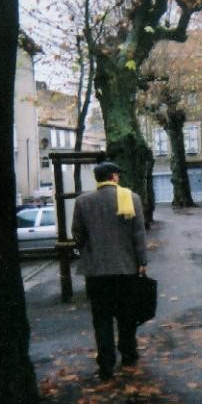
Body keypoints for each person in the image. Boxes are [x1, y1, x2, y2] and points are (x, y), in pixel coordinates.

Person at [72, 161, 147, 380]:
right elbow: (139, 234)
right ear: (114, 177)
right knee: (127, 316)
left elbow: (77, 233)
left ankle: (106, 364)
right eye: (118, 175)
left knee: (101, 319)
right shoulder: (131, 198)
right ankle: (129, 355)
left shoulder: (83, 201)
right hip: (126, 269)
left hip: (96, 272)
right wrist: (142, 261)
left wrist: (89, 250)